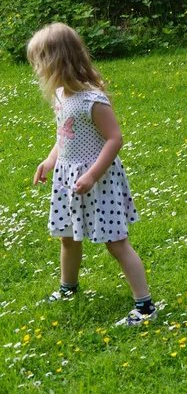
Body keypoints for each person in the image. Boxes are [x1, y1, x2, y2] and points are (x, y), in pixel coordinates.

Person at [27, 22, 157, 325]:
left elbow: (115, 139)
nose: (38, 71)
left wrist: (93, 175)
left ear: (58, 62)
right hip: (68, 180)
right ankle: (68, 288)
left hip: (98, 182)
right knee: (67, 237)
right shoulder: (62, 97)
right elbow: (65, 136)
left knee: (116, 243)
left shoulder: (91, 100)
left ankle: (146, 307)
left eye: (40, 63)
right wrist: (49, 161)